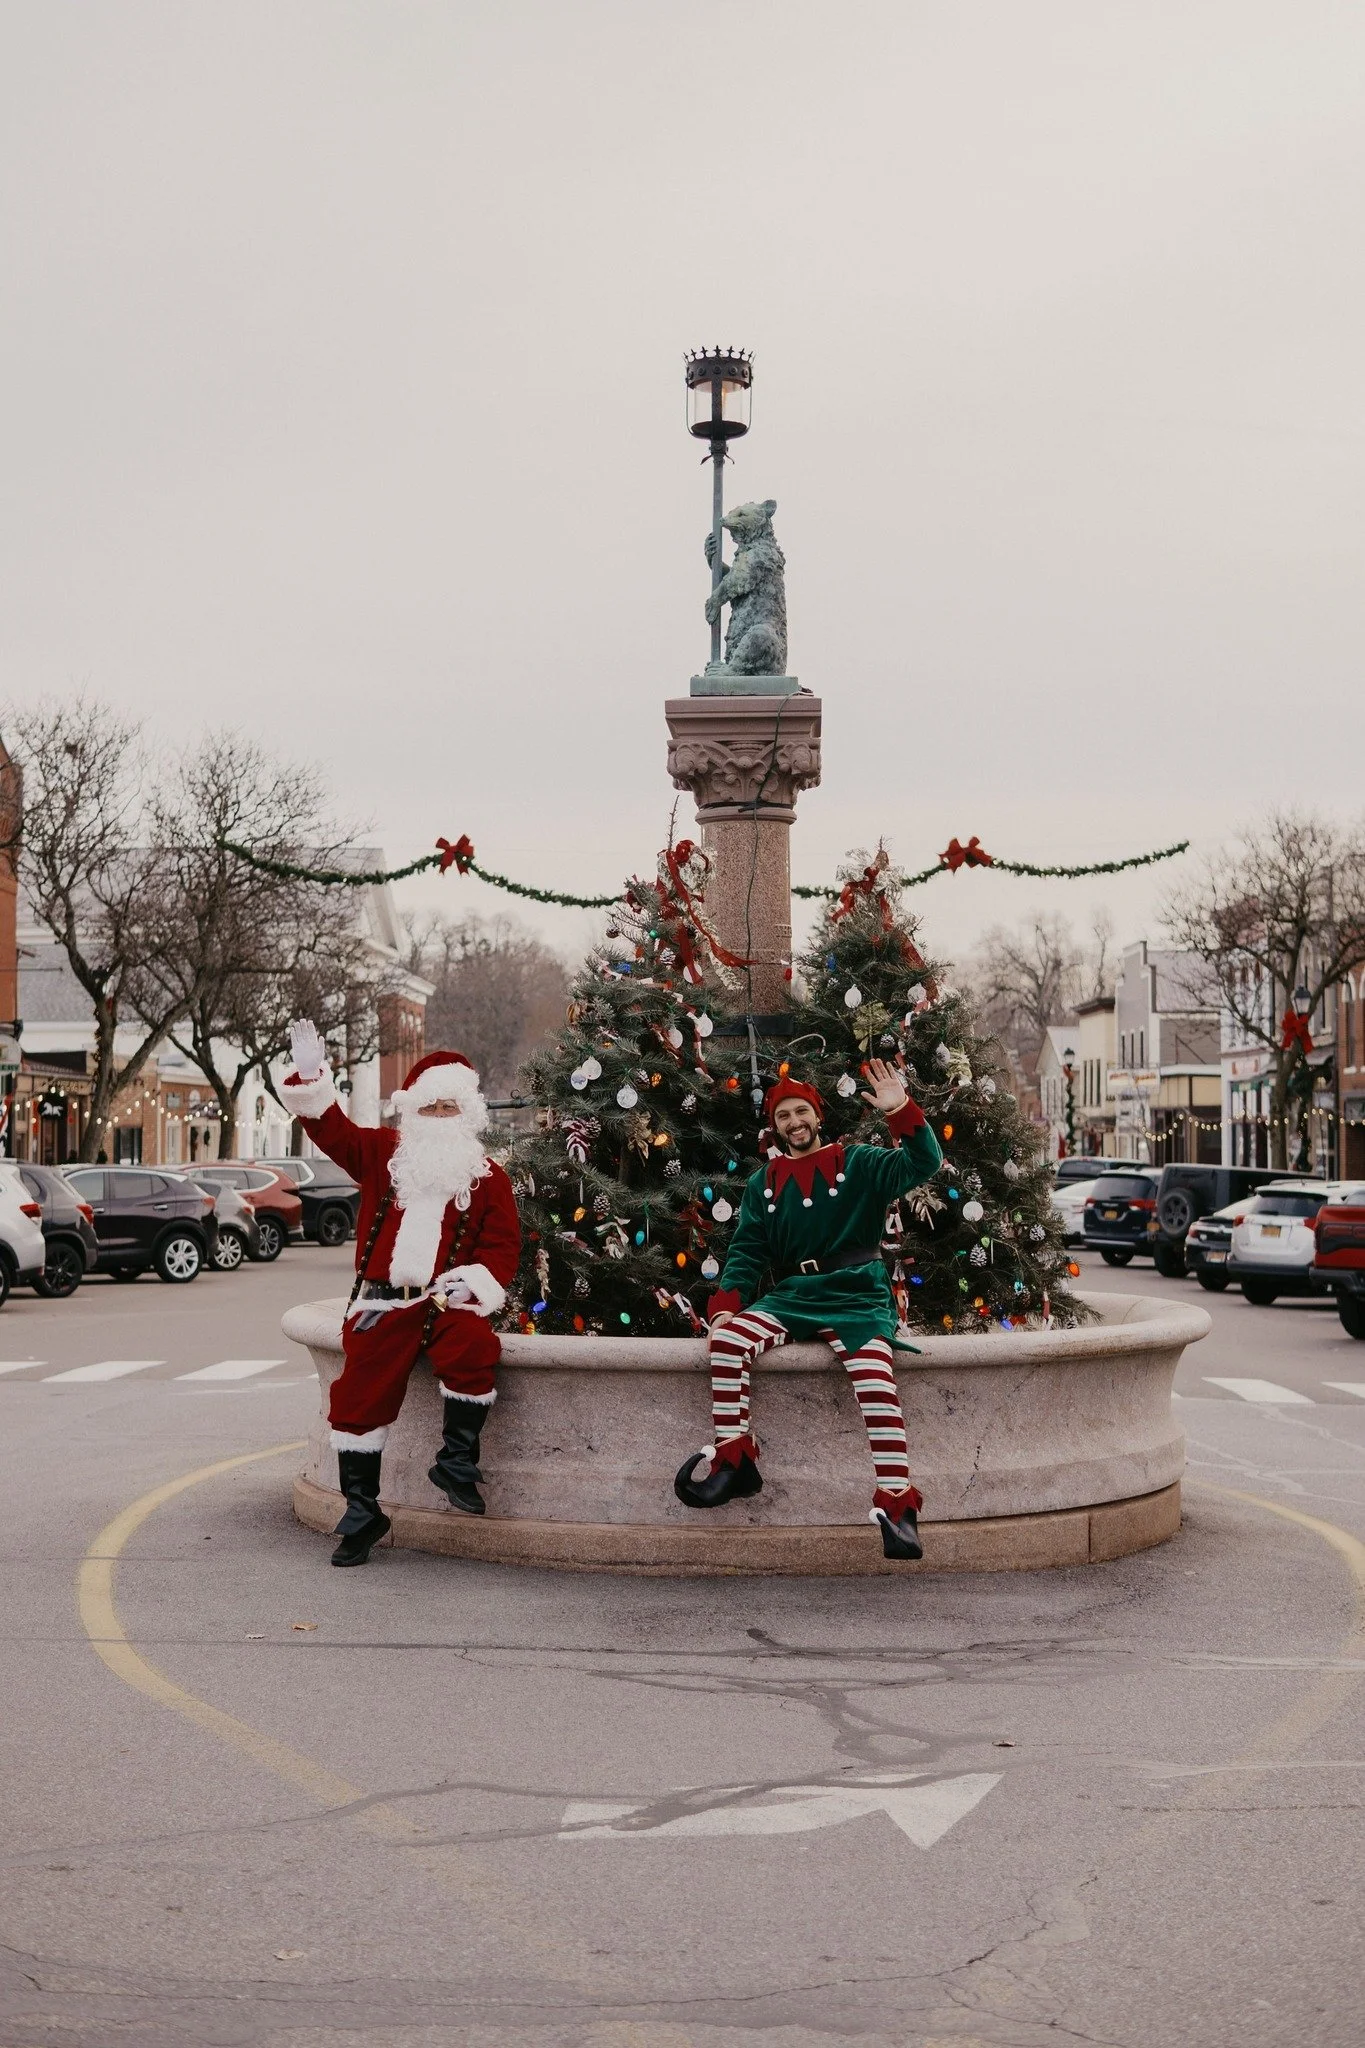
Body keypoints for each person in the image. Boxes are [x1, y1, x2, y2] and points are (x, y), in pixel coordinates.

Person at [673, 1058, 942, 1559]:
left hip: (857, 1295)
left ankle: (899, 1508)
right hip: (795, 1294)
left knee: (876, 1383)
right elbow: (748, 1250)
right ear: (773, 1127)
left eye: (801, 1112)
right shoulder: (765, 1183)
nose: (794, 1123)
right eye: (783, 1117)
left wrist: (900, 1111)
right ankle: (734, 1462)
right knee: (727, 1341)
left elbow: (922, 1163)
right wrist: (727, 1307)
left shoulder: (859, 1162)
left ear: (817, 1117)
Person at [280, 1019, 521, 1567]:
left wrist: (474, 1282)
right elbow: (332, 1129)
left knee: (474, 1348)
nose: (438, 1118)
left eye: (449, 1108)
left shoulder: (487, 1178)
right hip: (384, 1301)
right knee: (359, 1389)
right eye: (430, 1108)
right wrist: (314, 1077)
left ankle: (457, 1461)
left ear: (467, 1115)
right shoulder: (383, 1155)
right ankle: (363, 1510)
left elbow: (503, 1248)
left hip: (443, 1301)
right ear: (412, 1110)